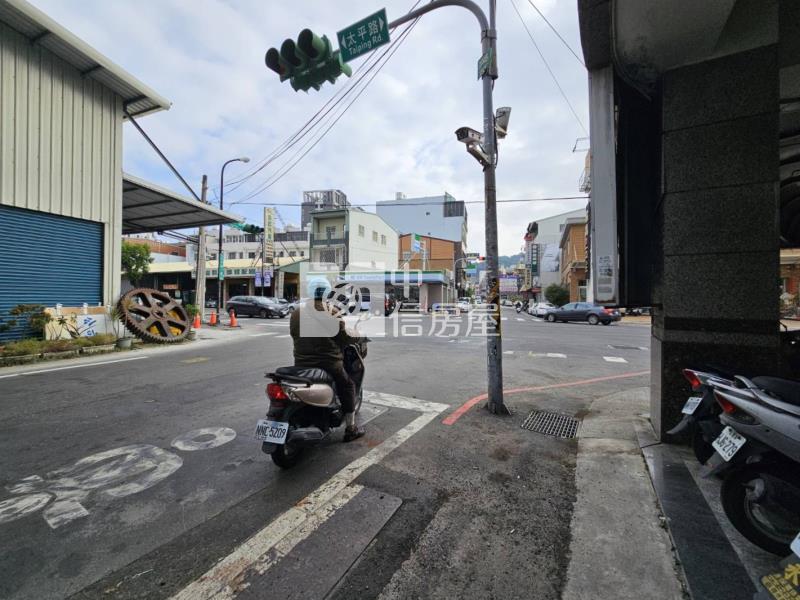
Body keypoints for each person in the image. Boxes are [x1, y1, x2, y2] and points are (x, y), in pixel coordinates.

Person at [289, 280, 366, 442]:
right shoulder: (332, 311)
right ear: (327, 293)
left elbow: (294, 334)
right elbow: (344, 338)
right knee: (348, 385)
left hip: (301, 363)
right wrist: (358, 335)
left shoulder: (296, 313)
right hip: (329, 363)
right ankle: (351, 429)